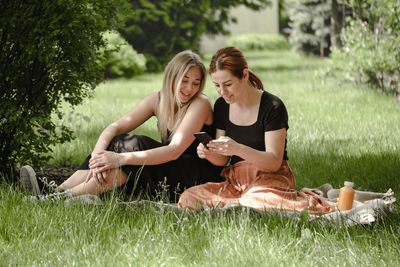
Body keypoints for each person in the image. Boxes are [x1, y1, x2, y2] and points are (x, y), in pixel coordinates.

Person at [20, 50, 223, 202]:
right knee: (119, 142)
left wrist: (118, 158)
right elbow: (115, 127)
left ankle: (54, 197)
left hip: (196, 176)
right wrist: (98, 156)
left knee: (134, 145)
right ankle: (57, 192)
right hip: (166, 169)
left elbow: (174, 151)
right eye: (184, 80)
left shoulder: (200, 104)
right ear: (171, 77)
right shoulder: (158, 101)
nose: (189, 88)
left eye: (196, 83)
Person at [178, 47, 334, 214]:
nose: (223, 92)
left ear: (244, 75)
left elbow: (274, 161)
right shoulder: (222, 106)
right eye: (217, 85)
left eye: (228, 84)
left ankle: (290, 202)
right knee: (189, 197)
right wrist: (209, 153)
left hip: (271, 181)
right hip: (237, 183)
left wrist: (237, 148)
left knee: (253, 204)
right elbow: (223, 159)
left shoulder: (272, 106)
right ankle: (238, 205)